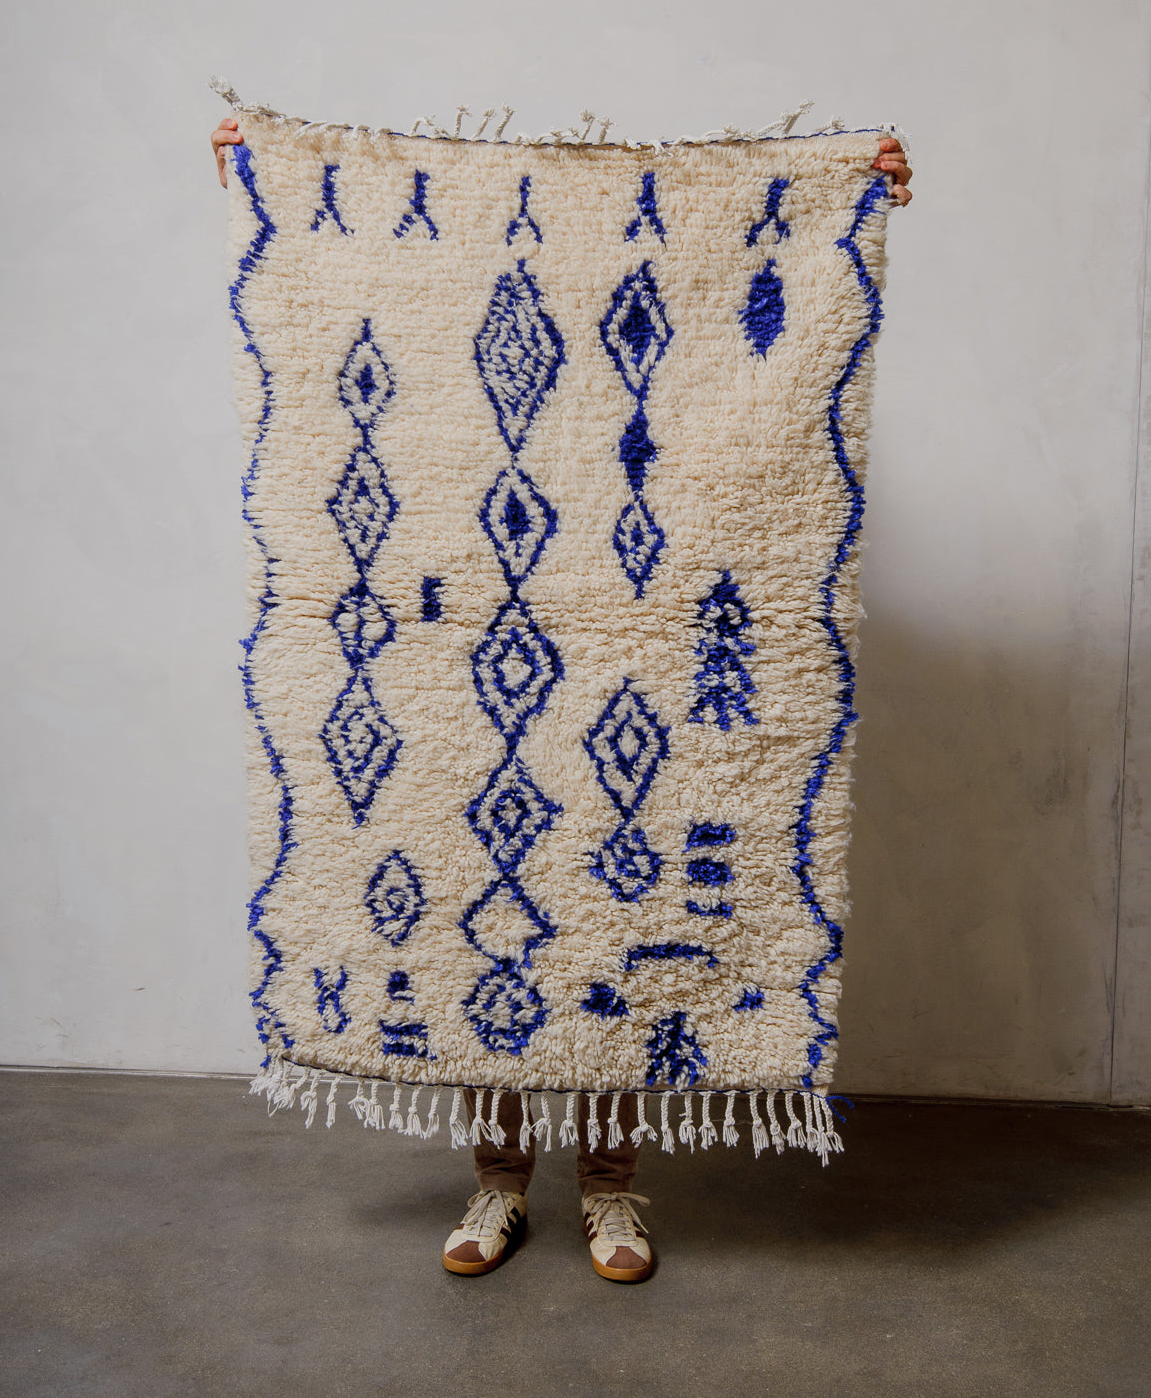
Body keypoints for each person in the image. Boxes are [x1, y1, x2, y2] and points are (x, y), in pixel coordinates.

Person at [210, 113, 913, 1283]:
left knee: (618, 919)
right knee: (488, 903)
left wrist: (851, 192)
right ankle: (496, 1187)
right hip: (463, 657)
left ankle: (613, 1194)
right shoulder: (450, 324)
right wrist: (262, 175)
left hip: (629, 644)